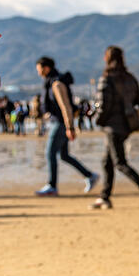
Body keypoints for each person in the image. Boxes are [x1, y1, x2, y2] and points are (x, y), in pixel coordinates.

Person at [90, 46, 139, 210]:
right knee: (107, 161)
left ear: (107, 58)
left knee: (119, 162)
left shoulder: (107, 78)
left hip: (112, 126)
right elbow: (137, 100)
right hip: (127, 125)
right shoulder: (130, 78)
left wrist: (98, 120)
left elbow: (103, 105)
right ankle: (104, 197)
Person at [35, 57, 98, 197]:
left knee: (50, 152)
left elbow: (65, 106)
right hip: (61, 122)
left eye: (39, 69)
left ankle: (52, 185)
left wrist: (70, 127)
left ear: (46, 68)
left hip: (61, 123)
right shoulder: (52, 82)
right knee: (64, 155)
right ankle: (90, 175)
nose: (38, 72)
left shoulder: (56, 84)